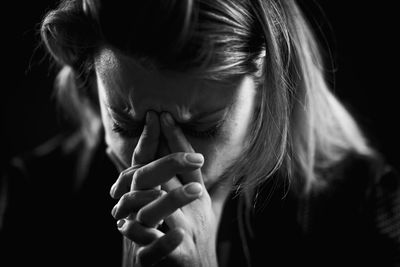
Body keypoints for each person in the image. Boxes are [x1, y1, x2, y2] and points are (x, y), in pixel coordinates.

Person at [1, 0, 399, 266]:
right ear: (92, 84)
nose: (157, 156)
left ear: (265, 85)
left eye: (201, 126)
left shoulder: (361, 202)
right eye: (126, 122)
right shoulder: (34, 195)